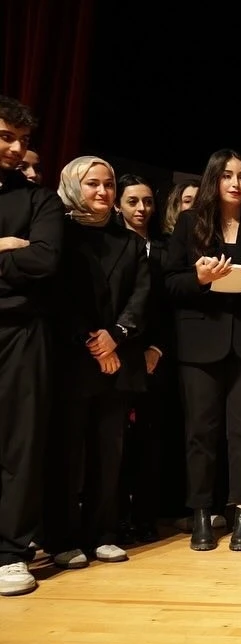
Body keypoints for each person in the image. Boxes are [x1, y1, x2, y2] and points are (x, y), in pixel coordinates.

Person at [165, 149, 241, 552]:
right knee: (200, 432)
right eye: (227, 175)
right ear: (213, 179)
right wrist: (198, 278)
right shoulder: (189, 223)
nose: (236, 183)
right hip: (200, 342)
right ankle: (201, 514)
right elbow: (170, 282)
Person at [45, 157, 151, 567]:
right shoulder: (59, 234)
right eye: (93, 184)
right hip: (73, 360)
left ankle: (103, 532)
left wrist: (116, 337)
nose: (103, 192)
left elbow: (141, 295)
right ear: (75, 186)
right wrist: (93, 341)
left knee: (109, 453)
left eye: (108, 184)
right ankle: (62, 538)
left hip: (118, 359)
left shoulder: (130, 241)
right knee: (68, 454)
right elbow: (58, 295)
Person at [0, 95, 64, 597]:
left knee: (19, 443)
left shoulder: (39, 200)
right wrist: (5, 246)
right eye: (7, 137)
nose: (17, 149)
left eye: (23, 140)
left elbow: (43, 261)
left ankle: (10, 552)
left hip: (21, 330)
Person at [114, 173, 168, 543]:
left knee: (152, 441)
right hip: (116, 353)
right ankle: (115, 517)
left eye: (147, 201)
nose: (141, 208)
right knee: (116, 441)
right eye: (133, 201)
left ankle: (146, 517)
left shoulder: (166, 247)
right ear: (118, 205)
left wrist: (157, 348)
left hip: (156, 355)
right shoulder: (111, 244)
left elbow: (169, 306)